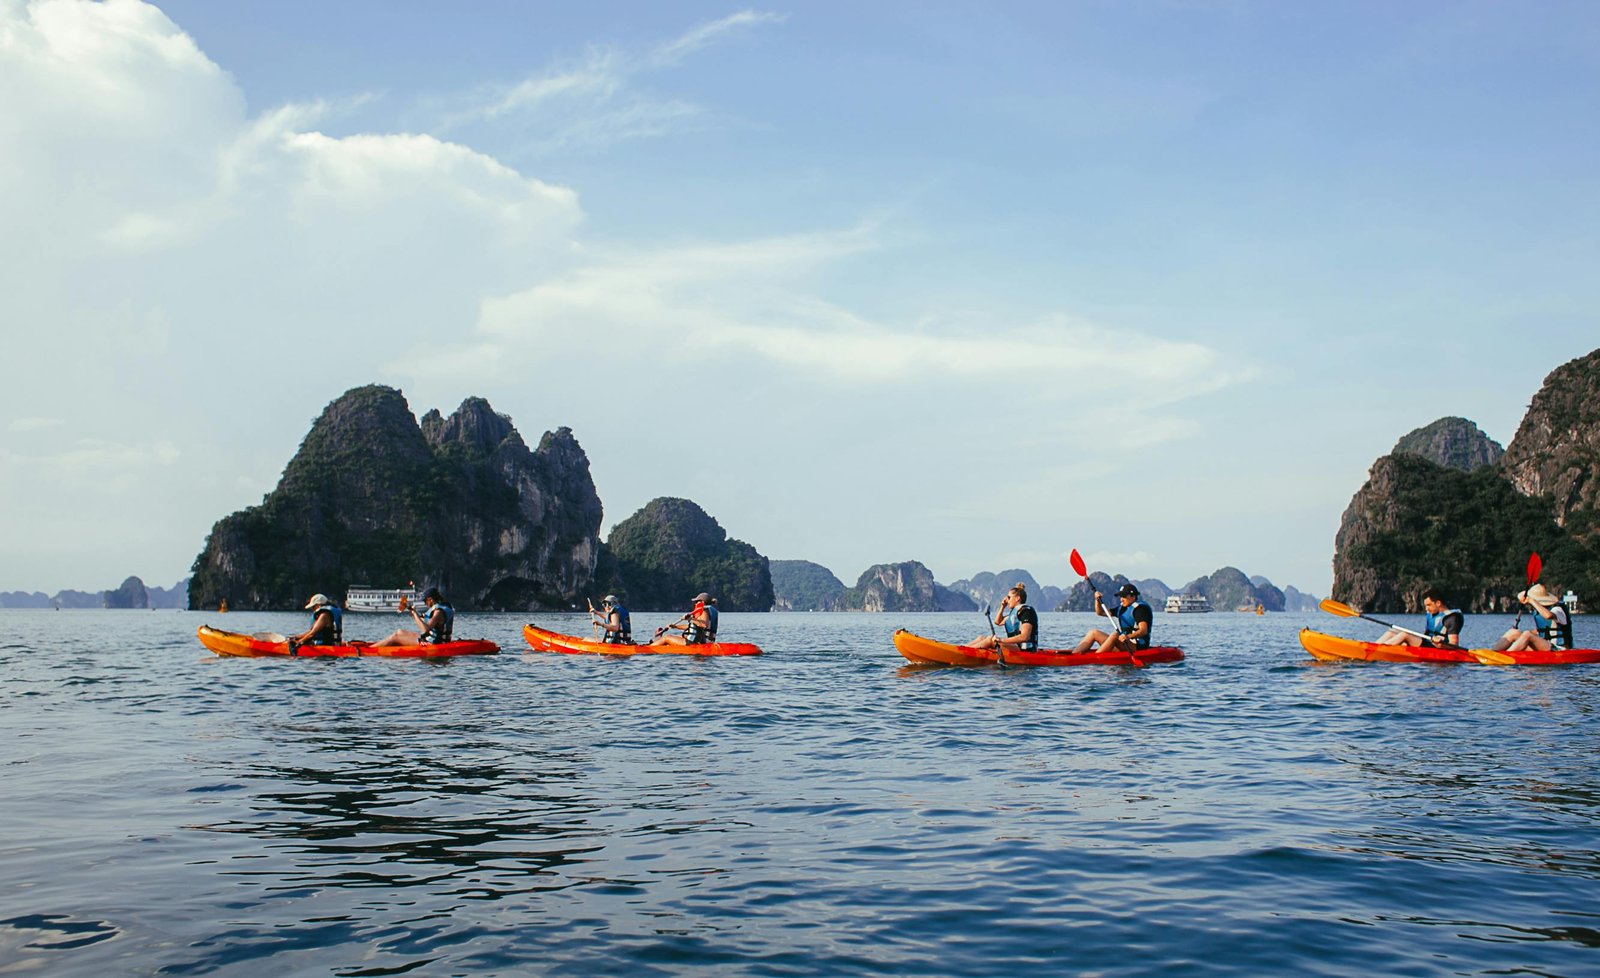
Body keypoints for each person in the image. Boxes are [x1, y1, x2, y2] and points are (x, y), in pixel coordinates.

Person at [1072, 583, 1152, 654]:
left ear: (1133, 597)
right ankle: (1074, 656)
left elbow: (1143, 631)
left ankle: (1094, 659)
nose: (1121, 599)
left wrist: (1128, 637)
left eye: (1124, 596)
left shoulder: (1140, 609)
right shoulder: (1121, 608)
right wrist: (1097, 600)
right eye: (1121, 596)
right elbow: (1100, 613)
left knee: (1115, 635)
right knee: (1093, 633)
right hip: (1124, 643)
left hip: (1137, 646)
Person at [1492, 583, 1573, 652]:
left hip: (1559, 649)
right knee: (1513, 633)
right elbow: (1542, 631)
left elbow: (1548, 616)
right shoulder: (1539, 610)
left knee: (1527, 635)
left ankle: (1507, 656)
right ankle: (1493, 653)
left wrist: (1531, 600)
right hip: (1544, 646)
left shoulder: (1557, 609)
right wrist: (1521, 635)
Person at [1376, 588, 1461, 647]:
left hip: (1436, 648)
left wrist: (1441, 644)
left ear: (1438, 603)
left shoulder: (1452, 618)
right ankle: (1371, 647)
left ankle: (1378, 650)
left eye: (1429, 605)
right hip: (1426, 643)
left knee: (1405, 635)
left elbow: (1454, 645)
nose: (1426, 609)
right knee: (1391, 633)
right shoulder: (1433, 614)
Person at [968, 583, 1038, 653]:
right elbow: (997, 622)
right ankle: (962, 649)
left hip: (1026, 650)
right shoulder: (1013, 614)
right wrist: (1002, 607)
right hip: (1014, 646)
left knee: (990, 640)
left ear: (1017, 598)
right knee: (981, 638)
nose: (1007, 600)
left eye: (1009, 597)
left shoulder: (1026, 612)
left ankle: (967, 653)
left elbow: (1025, 637)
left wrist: (1001, 640)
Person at [375, 586, 454, 646]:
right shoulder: (443, 606)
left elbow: (425, 630)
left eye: (425, 600)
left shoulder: (438, 612)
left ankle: (368, 650)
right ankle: (374, 646)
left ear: (430, 599)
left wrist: (415, 613)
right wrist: (413, 612)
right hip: (431, 639)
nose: (424, 603)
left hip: (433, 643)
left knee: (395, 637)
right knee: (399, 632)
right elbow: (423, 623)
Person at [653, 592, 717, 646]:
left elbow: (704, 625)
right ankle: (656, 643)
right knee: (675, 637)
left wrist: (690, 618)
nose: (695, 604)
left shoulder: (704, 611)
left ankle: (649, 647)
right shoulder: (709, 611)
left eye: (696, 601)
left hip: (694, 642)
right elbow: (693, 627)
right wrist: (675, 626)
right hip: (702, 641)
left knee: (666, 638)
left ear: (702, 602)